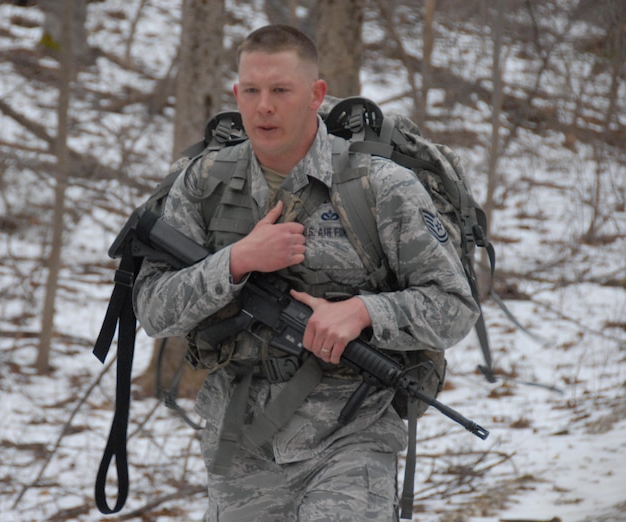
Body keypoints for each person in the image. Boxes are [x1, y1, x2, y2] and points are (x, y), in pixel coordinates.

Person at [134, 24, 479, 522]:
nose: (263, 107)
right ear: (236, 93)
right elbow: (152, 309)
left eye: (281, 90)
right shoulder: (204, 184)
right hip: (239, 443)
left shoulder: (380, 187)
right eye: (251, 91)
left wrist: (364, 312)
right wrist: (235, 262)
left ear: (316, 95)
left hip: (351, 433)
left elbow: (455, 307)